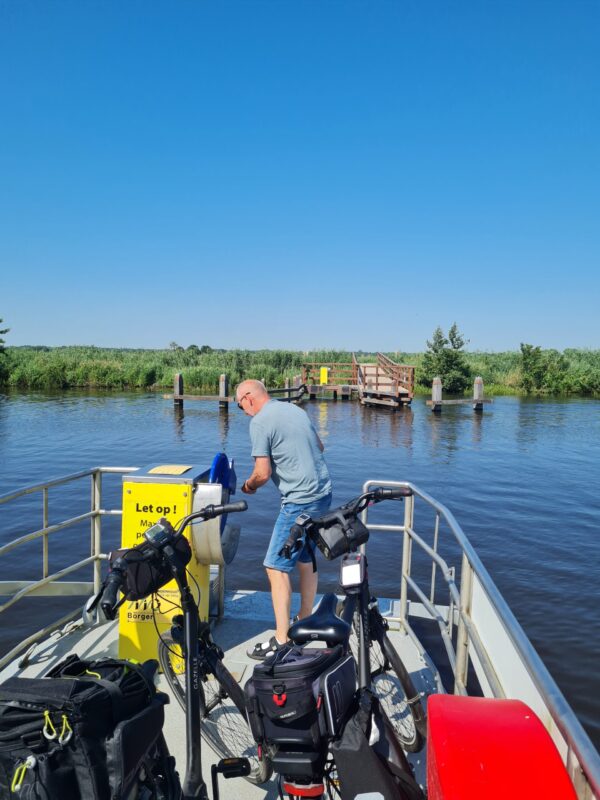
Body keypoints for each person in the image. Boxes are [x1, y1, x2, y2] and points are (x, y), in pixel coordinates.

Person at [236, 379, 332, 660]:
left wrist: (249, 486)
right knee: (305, 559)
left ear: (249, 398)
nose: (243, 412)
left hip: (299, 501)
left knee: (275, 567)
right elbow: (321, 447)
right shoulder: (295, 411)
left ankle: (282, 640)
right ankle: (303, 619)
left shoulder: (260, 422)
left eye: (240, 405)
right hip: (322, 494)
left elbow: (262, 473)